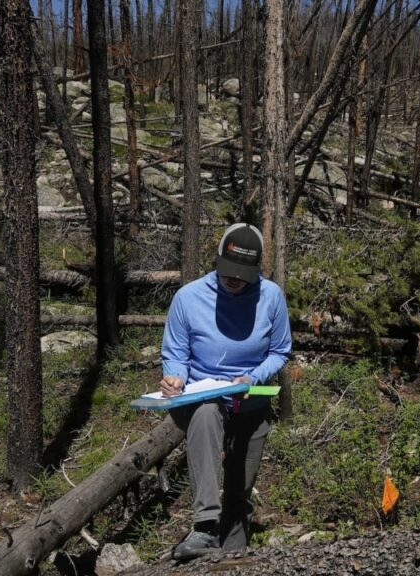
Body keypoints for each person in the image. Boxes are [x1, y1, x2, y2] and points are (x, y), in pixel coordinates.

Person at [160, 223, 292, 560]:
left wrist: (252, 378)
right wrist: (174, 377)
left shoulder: (271, 297)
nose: (234, 279)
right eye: (228, 271)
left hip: (252, 400)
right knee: (205, 415)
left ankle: (234, 554)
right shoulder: (188, 298)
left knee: (240, 487)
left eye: (243, 274)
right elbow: (176, 353)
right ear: (217, 260)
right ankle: (204, 526)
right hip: (203, 396)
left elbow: (279, 351)